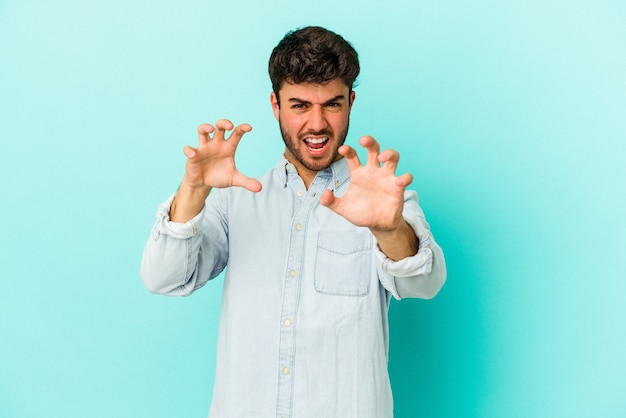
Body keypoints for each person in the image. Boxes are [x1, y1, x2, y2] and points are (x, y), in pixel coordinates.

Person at [141, 25, 446, 418]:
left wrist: (389, 230)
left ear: (350, 102)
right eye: (300, 105)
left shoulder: (383, 200)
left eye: (332, 104)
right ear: (276, 105)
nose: (317, 124)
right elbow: (163, 277)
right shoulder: (236, 203)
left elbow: (425, 284)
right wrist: (193, 191)